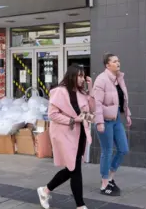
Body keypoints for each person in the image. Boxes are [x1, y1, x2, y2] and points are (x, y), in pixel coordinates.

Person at [37, 64, 95, 209]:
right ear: (72, 76)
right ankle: (80, 205)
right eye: (79, 76)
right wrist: (72, 120)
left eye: (83, 76)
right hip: (64, 134)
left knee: (72, 168)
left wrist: (91, 89)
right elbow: (52, 114)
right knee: (75, 169)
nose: (82, 79)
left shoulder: (82, 93)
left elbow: (92, 109)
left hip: (79, 133)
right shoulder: (59, 91)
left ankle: (45, 190)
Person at [93, 53, 131, 196]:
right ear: (107, 65)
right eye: (114, 61)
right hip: (105, 121)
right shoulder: (101, 80)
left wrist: (127, 115)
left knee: (123, 149)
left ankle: (110, 177)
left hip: (116, 120)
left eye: (118, 60)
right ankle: (104, 184)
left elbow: (123, 100)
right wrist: (99, 122)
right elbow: (97, 103)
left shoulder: (119, 78)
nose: (118, 63)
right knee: (107, 151)